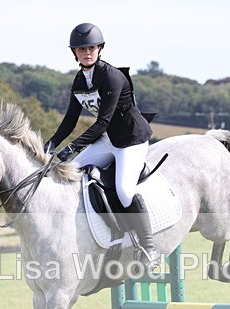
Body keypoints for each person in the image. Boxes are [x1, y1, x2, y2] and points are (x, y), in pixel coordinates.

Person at [46, 22, 158, 267]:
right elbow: (70, 119)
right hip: (108, 140)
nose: (87, 52)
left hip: (131, 141)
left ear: (100, 49)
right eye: (81, 49)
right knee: (71, 174)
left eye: (92, 48)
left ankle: (150, 249)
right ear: (74, 52)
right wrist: (51, 144)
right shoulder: (79, 81)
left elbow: (102, 121)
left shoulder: (111, 77)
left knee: (125, 191)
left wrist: (73, 147)